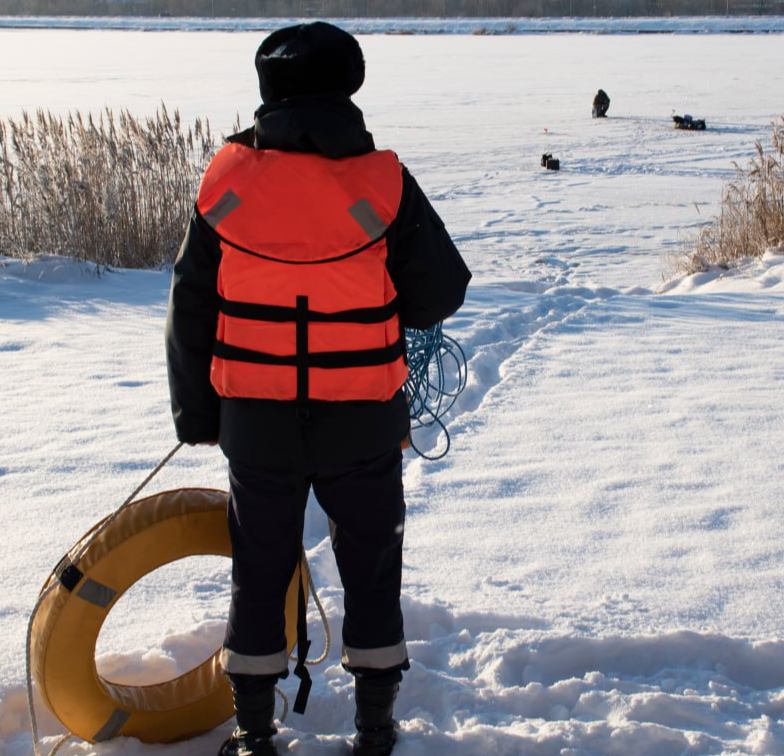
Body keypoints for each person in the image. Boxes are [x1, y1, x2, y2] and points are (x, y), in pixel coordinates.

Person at [165, 22, 471, 756]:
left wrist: (198, 415)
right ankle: (374, 727)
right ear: (350, 86)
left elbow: (190, 308)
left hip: (256, 418)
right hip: (362, 416)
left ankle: (254, 732)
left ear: (268, 90)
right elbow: (440, 293)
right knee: (371, 565)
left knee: (259, 568)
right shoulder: (384, 181)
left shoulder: (228, 182)